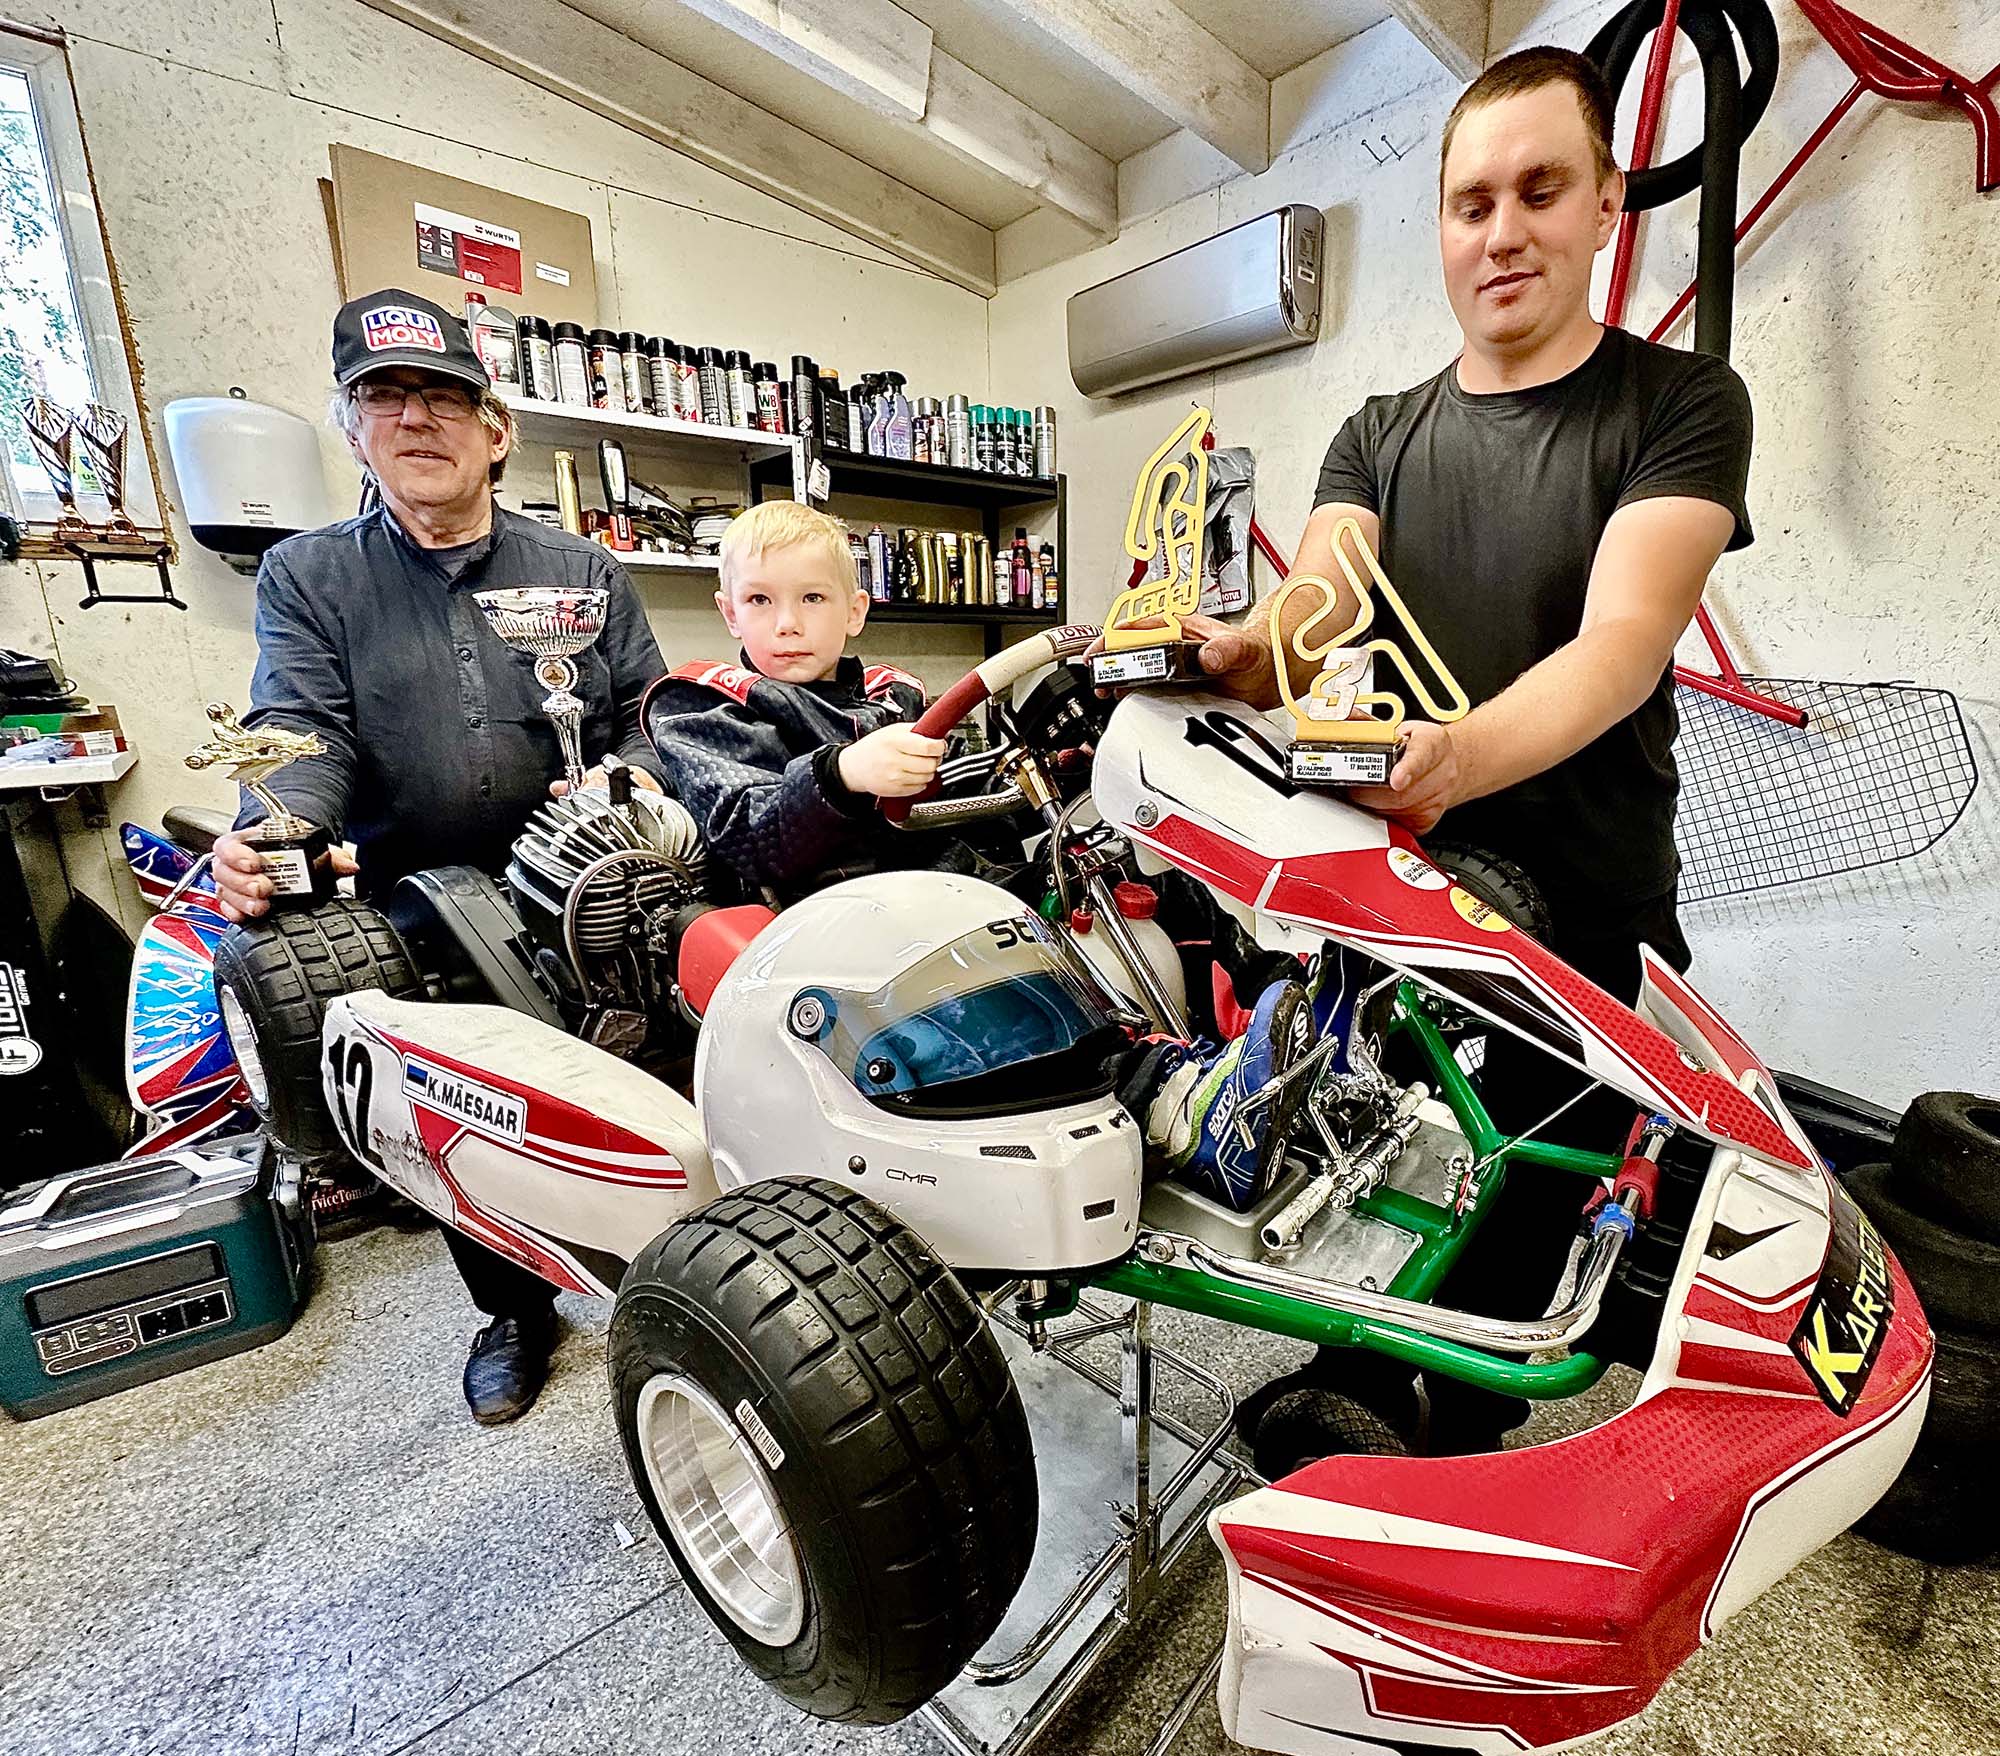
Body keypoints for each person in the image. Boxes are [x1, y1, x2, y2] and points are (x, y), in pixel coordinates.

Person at [1138, 47, 1754, 1454]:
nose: (1503, 229)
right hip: (1397, 890)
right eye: (1472, 200)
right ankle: (1358, 1402)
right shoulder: (1380, 432)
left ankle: (1460, 1443)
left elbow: (1622, 648)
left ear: (1607, 205)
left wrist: (1458, 758)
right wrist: (1245, 652)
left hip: (1583, 902)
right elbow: (1324, 603)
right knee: (1375, 1165)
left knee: (1534, 1205)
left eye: (1543, 189)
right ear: (1442, 226)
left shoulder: (1680, 406)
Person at [209, 287, 669, 1425]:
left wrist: (638, 779)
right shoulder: (309, 576)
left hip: (592, 888)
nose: (418, 418)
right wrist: (275, 827)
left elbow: (652, 715)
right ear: (351, 424)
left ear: (495, 428)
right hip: (415, 905)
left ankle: (665, 1284)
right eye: (385, 395)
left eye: (444, 396)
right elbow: (301, 728)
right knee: (463, 1122)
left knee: (636, 1092)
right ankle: (514, 1310)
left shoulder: (583, 570)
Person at [645, 499, 1312, 1208]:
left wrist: (1056, 766)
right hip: (835, 933)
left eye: (812, 598)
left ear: (854, 611)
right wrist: (840, 774)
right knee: (1007, 975)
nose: (786, 622)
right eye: (760, 600)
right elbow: (747, 831)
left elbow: (964, 795)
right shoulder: (707, 708)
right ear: (728, 613)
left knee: (1126, 875)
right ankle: (1173, 1106)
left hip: (951, 886)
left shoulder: (889, 695)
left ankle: (1277, 1028)